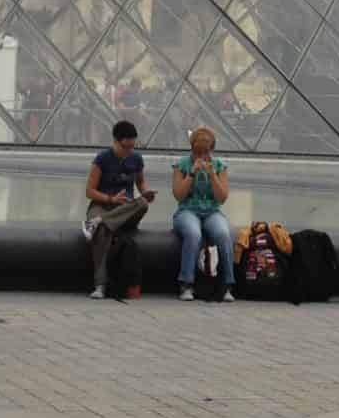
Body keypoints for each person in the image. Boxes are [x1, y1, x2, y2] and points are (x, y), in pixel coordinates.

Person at [84, 120, 153, 298]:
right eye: (125, 147)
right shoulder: (102, 159)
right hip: (102, 205)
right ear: (116, 141)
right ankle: (100, 285)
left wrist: (146, 192)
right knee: (101, 231)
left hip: (125, 209)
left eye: (132, 147)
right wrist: (110, 198)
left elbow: (140, 182)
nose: (129, 151)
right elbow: (89, 191)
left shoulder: (136, 159)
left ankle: (98, 222)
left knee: (143, 203)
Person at [170, 126, 235, 302]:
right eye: (198, 152)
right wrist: (191, 173)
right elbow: (179, 195)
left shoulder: (219, 166)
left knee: (223, 233)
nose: (201, 157)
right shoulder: (181, 165)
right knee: (193, 233)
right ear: (192, 148)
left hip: (212, 210)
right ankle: (186, 284)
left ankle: (227, 285)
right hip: (187, 210)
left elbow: (222, 198)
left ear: (211, 150)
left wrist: (213, 175)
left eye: (205, 153)